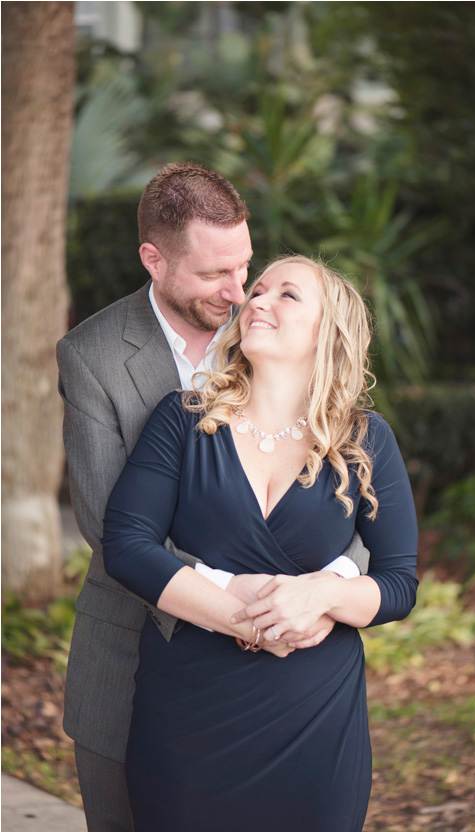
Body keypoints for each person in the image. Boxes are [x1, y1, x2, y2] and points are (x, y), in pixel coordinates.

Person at [57, 162, 366, 832]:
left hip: (293, 676)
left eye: (245, 266)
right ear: (154, 260)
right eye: (212, 275)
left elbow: (358, 484)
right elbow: (107, 524)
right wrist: (245, 608)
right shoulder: (93, 357)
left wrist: (330, 588)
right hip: (135, 651)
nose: (237, 293)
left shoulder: (281, 332)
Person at [97, 254, 418, 830]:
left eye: (287, 295)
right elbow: (126, 543)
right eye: (259, 290)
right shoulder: (184, 419)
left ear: (329, 332)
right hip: (188, 714)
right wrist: (248, 622)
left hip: (316, 723)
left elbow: (398, 582)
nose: (257, 301)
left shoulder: (365, 439)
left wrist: (321, 596)